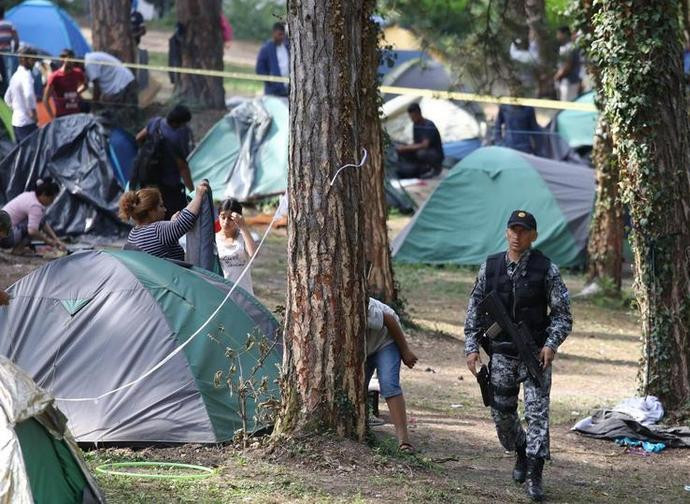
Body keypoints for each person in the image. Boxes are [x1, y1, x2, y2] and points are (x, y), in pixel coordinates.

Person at [464, 210, 572, 502]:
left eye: (523, 231)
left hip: (536, 355)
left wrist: (550, 344)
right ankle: (521, 450)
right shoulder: (490, 267)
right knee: (502, 415)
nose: (517, 235)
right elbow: (475, 307)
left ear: (533, 236)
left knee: (537, 414)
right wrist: (472, 346)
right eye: (513, 229)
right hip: (501, 355)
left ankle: (535, 475)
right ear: (506, 232)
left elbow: (563, 316)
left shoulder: (546, 270)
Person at [366, 297, 418, 452]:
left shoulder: (363, 306)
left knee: (389, 384)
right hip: (366, 346)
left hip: (386, 339)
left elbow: (389, 320)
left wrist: (405, 351)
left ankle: (404, 441)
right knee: (357, 385)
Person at [119, 181, 209, 261]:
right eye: (161, 206)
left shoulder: (133, 233)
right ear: (151, 211)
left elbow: (161, 241)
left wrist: (171, 223)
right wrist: (199, 195)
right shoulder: (158, 230)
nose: (165, 209)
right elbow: (185, 221)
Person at [135, 104, 194, 219]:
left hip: (148, 177)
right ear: (179, 123)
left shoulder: (155, 122)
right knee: (171, 215)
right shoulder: (176, 137)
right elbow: (182, 167)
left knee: (149, 210)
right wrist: (192, 191)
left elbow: (138, 138)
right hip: (169, 184)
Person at [0, 177, 66, 254]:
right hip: (6, 238)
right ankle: (18, 249)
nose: (51, 202)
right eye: (51, 199)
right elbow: (32, 231)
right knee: (34, 226)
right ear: (44, 194)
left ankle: (18, 248)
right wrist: (49, 241)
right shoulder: (35, 206)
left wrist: (56, 239)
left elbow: (43, 223)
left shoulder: (28, 195)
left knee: (39, 220)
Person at [215, 199, 257, 294]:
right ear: (218, 217)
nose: (226, 222)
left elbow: (253, 254)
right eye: (223, 217)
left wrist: (243, 227)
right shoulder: (214, 239)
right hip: (224, 293)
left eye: (230, 218)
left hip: (244, 293)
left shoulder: (244, 237)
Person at [84, 51, 137, 125]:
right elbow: (85, 85)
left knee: (117, 118)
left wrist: (93, 107)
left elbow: (97, 89)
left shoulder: (89, 64)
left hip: (122, 85)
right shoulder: (89, 58)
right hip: (125, 81)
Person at [394, 103, 444, 179]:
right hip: (423, 150)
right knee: (404, 149)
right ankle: (420, 169)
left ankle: (436, 169)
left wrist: (406, 148)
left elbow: (424, 145)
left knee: (421, 153)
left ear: (418, 114)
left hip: (435, 153)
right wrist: (404, 148)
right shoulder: (415, 125)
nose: (412, 119)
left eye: (413, 117)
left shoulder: (429, 125)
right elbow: (415, 143)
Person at [493, 83, 542, 155]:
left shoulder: (528, 109)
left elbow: (535, 129)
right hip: (508, 147)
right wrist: (499, 143)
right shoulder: (504, 107)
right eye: (513, 91)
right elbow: (497, 126)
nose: (515, 93)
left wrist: (538, 150)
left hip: (525, 148)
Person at [4, 47, 38, 142]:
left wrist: (17, 109)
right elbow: (29, 95)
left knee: (21, 152)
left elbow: (7, 98)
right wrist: (32, 113)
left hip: (16, 121)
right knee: (31, 152)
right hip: (27, 122)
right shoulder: (26, 75)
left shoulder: (15, 76)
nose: (34, 62)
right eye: (33, 59)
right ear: (25, 59)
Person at [42, 49, 85, 119]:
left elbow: (85, 85)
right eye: (69, 59)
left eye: (72, 59)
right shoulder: (55, 77)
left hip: (76, 115)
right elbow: (45, 99)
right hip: (62, 117)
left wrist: (77, 92)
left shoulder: (78, 73)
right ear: (62, 59)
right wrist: (52, 118)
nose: (71, 62)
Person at [255, 22, 289, 97]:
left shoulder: (287, 47)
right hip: (273, 92)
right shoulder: (266, 49)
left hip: (288, 90)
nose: (282, 37)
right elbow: (259, 69)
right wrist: (270, 81)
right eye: (279, 34)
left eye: (283, 34)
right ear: (273, 33)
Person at [554, 26, 581, 102]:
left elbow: (568, 66)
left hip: (570, 82)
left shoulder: (570, 47)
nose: (557, 36)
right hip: (565, 82)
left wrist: (558, 75)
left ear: (565, 34)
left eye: (559, 34)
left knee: (568, 105)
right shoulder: (564, 47)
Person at [0, 7, 19, 95]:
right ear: (4, 13)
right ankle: (7, 94)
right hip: (7, 53)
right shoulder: (9, 24)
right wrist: (14, 50)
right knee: (8, 75)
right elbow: (16, 39)